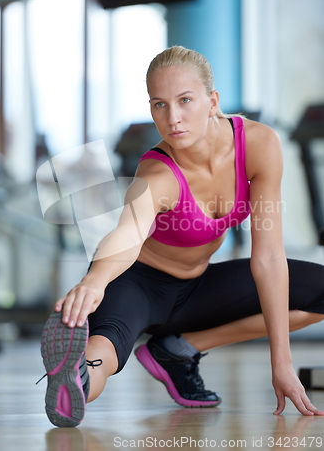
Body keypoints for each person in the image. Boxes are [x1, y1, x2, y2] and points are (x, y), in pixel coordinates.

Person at [40, 46, 324, 428]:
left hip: (198, 287)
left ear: (212, 101)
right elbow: (127, 233)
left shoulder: (259, 145)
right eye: (159, 104)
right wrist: (94, 281)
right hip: (136, 284)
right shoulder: (157, 177)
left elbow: (269, 257)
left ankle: (177, 350)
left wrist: (282, 363)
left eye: (184, 100)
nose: (172, 118)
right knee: (104, 353)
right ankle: (73, 381)